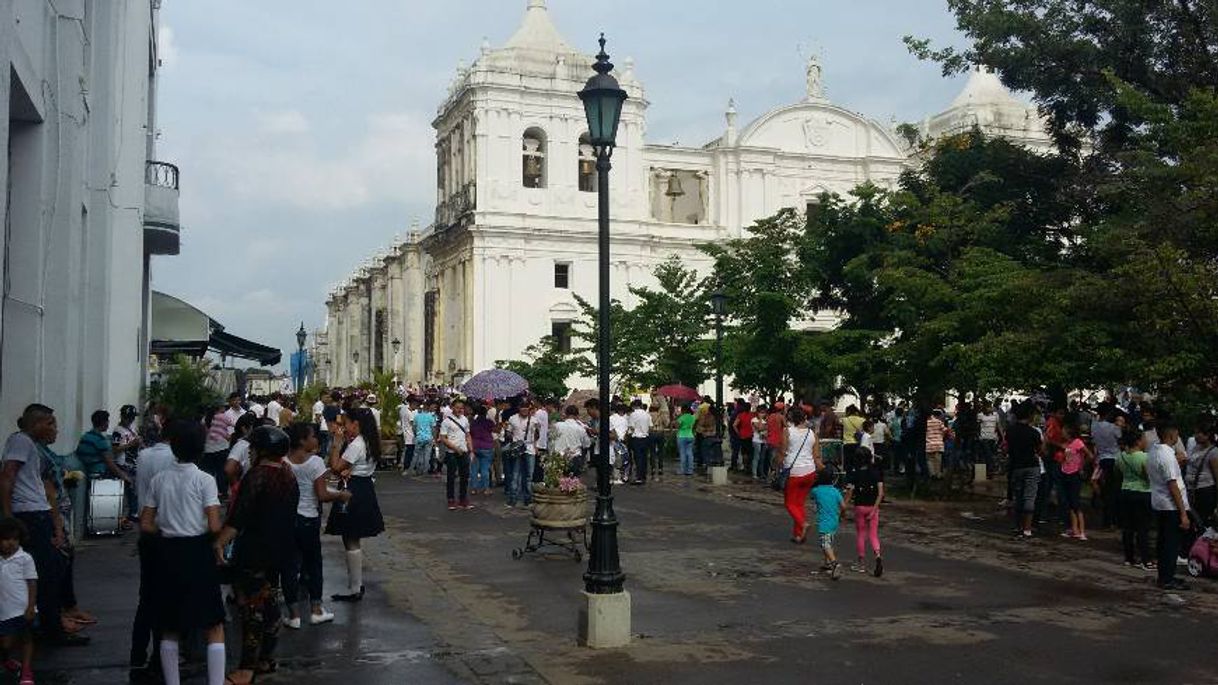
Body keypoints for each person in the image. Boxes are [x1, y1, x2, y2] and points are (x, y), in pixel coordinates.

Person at [140, 419, 226, 685]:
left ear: (174, 447)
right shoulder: (205, 480)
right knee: (213, 624)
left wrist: (167, 529)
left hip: (167, 552)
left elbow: (146, 523)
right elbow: (214, 525)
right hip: (198, 552)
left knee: (170, 625)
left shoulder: (159, 480)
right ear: (201, 447)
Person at [214, 426, 298, 684]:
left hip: (254, 552)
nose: (249, 452)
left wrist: (218, 543)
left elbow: (239, 518)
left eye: (253, 448)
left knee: (252, 610)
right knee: (270, 605)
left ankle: (246, 669)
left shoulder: (258, 475)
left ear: (262, 450)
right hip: (280, 550)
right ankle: (265, 658)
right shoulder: (288, 474)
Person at [0, 405, 84, 647]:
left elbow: (44, 488)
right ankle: (50, 630)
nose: (53, 428)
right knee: (46, 573)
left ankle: (48, 624)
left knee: (53, 567)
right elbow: (7, 476)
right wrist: (8, 517)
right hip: (30, 515)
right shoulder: (21, 442)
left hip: (39, 514)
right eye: (49, 423)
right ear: (35, 424)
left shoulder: (32, 447)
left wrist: (55, 524)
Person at [283, 423, 349, 629]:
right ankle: (316, 610)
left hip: (288, 519)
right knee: (313, 564)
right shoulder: (315, 462)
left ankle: (293, 615)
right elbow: (322, 494)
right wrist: (341, 495)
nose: (316, 439)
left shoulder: (284, 462)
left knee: (289, 567)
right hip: (309, 518)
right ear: (302, 440)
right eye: (312, 436)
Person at [128, 420, 178, 680]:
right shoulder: (175, 460)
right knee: (165, 598)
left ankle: (137, 653)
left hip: (146, 531)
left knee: (146, 597)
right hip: (166, 532)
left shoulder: (144, 455)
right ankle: (160, 657)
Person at [325, 407, 385, 601]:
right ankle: (355, 584)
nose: (344, 427)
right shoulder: (369, 441)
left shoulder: (357, 444)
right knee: (353, 535)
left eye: (346, 423)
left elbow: (335, 467)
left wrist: (336, 444)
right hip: (365, 486)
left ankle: (355, 587)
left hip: (353, 489)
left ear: (355, 424)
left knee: (350, 537)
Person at [1147, 422, 1191, 590]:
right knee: (1171, 544)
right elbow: (1172, 485)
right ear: (1172, 435)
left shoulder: (1153, 450)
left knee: (1163, 541)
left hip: (1159, 502)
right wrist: (1183, 513)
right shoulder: (1166, 455)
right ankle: (1167, 578)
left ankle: (1165, 575)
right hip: (1170, 505)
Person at [0, 517, 37, 685]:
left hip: (22, 608)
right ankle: (7, 660)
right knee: (6, 642)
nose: (11, 543)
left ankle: (26, 670)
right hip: (3, 610)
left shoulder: (24, 558)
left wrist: (31, 607)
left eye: (15, 539)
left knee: (26, 638)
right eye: (6, 539)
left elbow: (32, 583)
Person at [780, 408, 819, 544]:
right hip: (810, 470)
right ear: (805, 418)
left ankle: (803, 524)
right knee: (799, 503)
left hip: (794, 470)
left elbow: (783, 451)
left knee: (790, 503)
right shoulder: (812, 433)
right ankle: (798, 534)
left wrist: (778, 463)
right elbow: (816, 455)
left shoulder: (787, 431)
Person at [1117, 431, 1154, 570]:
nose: (1146, 441)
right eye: (1144, 439)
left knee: (1127, 527)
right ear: (1138, 441)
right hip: (1142, 493)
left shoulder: (1120, 456)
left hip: (1125, 491)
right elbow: (1148, 477)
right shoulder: (1144, 457)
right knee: (1143, 528)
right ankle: (1146, 560)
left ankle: (1129, 558)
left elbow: (1118, 473)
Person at [1006, 404, 1043, 539]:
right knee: (1030, 497)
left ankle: (1018, 526)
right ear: (1029, 416)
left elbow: (1007, 448)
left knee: (1018, 497)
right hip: (1032, 466)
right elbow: (1040, 451)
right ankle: (1027, 528)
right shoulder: (1034, 432)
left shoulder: (1010, 431)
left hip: (1016, 466)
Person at [847, 448, 885, 577]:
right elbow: (880, 493)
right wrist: (874, 509)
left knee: (861, 534)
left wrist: (843, 506)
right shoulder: (876, 472)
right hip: (873, 506)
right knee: (873, 535)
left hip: (860, 506)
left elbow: (850, 491)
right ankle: (877, 555)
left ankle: (861, 563)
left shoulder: (855, 473)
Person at [1059, 424, 1094, 540]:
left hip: (1074, 474)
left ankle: (1082, 530)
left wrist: (1081, 466)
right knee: (1069, 502)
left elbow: (1089, 455)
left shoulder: (1078, 442)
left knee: (1076, 503)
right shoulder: (1066, 444)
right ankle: (1074, 529)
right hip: (1065, 472)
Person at [1091, 411, 1125, 528]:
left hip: (1103, 459)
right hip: (1115, 459)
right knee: (1115, 490)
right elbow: (1120, 439)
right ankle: (1115, 520)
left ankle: (1107, 520)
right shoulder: (1114, 428)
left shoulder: (1095, 426)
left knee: (1106, 489)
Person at [111, 405, 143, 526]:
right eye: (129, 418)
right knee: (127, 490)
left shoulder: (132, 429)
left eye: (133, 418)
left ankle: (133, 513)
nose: (131, 420)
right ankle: (125, 515)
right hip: (123, 464)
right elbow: (115, 449)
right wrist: (131, 444)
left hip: (133, 463)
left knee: (134, 490)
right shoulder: (118, 431)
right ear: (123, 417)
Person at [812, 467, 845, 580]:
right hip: (834, 520)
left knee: (825, 544)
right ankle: (826, 562)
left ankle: (834, 563)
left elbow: (814, 499)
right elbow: (843, 506)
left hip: (824, 521)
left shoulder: (816, 491)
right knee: (829, 541)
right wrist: (842, 515)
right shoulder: (835, 491)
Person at [439, 400, 473, 511]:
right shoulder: (446, 421)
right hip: (452, 453)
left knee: (465, 476)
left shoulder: (465, 419)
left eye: (461, 408)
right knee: (451, 477)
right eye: (457, 407)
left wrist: (471, 449)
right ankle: (451, 499)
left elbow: (468, 435)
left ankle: (463, 499)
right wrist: (455, 448)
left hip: (464, 451)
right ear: (452, 408)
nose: (460, 410)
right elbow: (443, 438)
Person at [1185, 425, 1218, 530]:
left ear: (1207, 435)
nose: (1195, 436)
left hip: (1205, 491)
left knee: (1204, 523)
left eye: (1198, 433)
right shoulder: (1196, 448)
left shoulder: (1214, 452)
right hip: (1192, 491)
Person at [506, 404, 539, 507]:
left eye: (526, 407)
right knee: (515, 474)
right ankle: (513, 499)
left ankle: (528, 499)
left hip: (530, 448)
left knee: (529, 475)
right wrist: (510, 438)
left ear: (529, 409)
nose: (524, 409)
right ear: (518, 408)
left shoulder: (534, 420)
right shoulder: (513, 418)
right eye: (522, 407)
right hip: (517, 448)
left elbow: (536, 436)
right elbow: (508, 433)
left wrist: (536, 447)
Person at [627, 400, 652, 484]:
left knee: (638, 458)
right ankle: (643, 476)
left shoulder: (633, 414)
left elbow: (631, 427)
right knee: (644, 458)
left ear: (634, 406)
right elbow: (650, 427)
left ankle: (639, 477)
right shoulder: (647, 414)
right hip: (645, 438)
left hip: (636, 438)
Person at [412, 400, 437, 476]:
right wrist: (434, 438)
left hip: (419, 437)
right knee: (427, 455)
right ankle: (425, 470)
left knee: (418, 454)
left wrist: (416, 434)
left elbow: (414, 427)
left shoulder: (417, 416)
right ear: (428, 408)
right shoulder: (431, 417)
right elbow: (433, 429)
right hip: (428, 437)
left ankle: (418, 469)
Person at [675, 405, 696, 477]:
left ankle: (682, 470)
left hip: (682, 436)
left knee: (683, 453)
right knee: (690, 453)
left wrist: (676, 420)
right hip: (690, 435)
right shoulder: (692, 417)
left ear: (683, 410)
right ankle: (690, 470)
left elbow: (677, 426)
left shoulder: (682, 417)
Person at [924, 410, 946, 479]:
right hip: (938, 444)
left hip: (929, 444)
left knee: (929, 460)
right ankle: (938, 474)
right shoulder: (939, 422)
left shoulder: (925, 423)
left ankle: (932, 474)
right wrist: (941, 436)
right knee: (938, 461)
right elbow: (945, 430)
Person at [399, 397, 417, 477]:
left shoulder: (404, 410)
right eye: (415, 405)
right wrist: (417, 433)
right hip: (411, 436)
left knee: (409, 452)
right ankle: (407, 468)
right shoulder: (409, 413)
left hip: (407, 435)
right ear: (412, 404)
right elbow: (413, 425)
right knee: (410, 453)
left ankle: (408, 467)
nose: (416, 407)